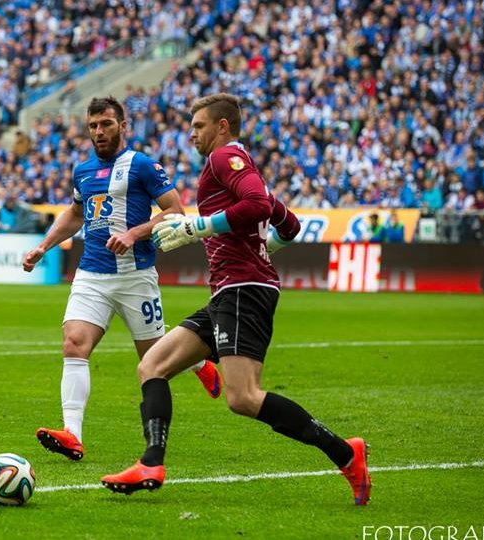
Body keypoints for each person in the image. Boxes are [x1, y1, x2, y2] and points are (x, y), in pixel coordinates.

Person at [101, 93, 370, 506]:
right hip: (231, 288)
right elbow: (288, 222)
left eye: (198, 126)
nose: (191, 134)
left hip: (243, 289)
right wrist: (264, 247)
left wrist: (201, 227)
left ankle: (345, 453)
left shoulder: (223, 157)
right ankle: (151, 462)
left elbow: (258, 205)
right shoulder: (241, 165)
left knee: (243, 396)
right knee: (152, 365)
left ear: (222, 126)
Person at [22, 96, 222, 461]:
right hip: (92, 274)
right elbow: (75, 213)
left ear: (123, 126)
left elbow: (175, 211)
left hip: (135, 276)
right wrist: (44, 247)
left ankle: (198, 362)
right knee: (74, 343)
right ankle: (72, 433)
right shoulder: (82, 170)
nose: (99, 132)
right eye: (94, 126)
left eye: (107, 124)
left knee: (154, 357)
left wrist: (134, 233)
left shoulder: (142, 165)